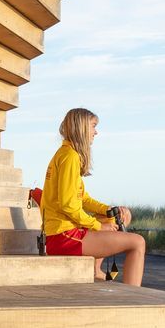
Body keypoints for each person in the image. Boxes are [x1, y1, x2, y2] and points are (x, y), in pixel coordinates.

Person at [40, 107, 145, 287]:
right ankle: (132, 297)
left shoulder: (68, 154)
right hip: (63, 236)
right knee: (138, 243)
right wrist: (98, 226)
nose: (96, 132)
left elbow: (84, 199)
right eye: (93, 126)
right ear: (82, 128)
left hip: (64, 232)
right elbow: (68, 205)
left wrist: (108, 210)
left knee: (120, 216)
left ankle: (96, 270)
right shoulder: (69, 157)